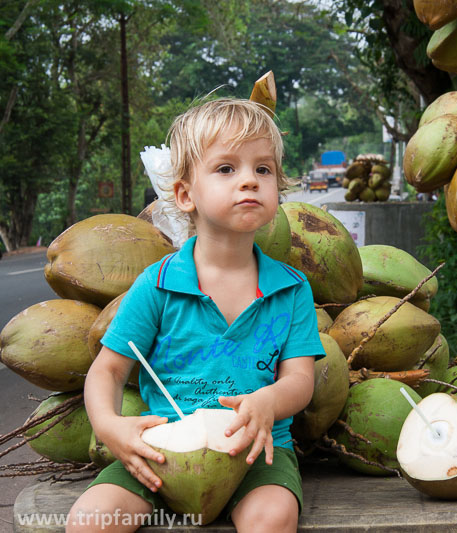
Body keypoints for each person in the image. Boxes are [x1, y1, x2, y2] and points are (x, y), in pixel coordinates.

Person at [66, 98, 323, 533]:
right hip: (160, 452)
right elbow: (107, 371)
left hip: (256, 453)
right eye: (227, 169)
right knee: (90, 520)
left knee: (274, 519)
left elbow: (301, 379)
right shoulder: (158, 284)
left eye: (263, 170)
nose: (249, 181)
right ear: (186, 194)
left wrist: (268, 401)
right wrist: (110, 428)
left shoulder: (292, 288)